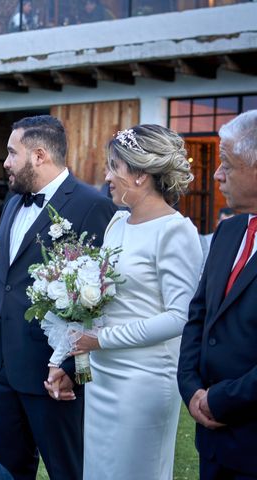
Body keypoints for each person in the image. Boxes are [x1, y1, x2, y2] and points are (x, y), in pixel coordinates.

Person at [0, 115, 116, 480]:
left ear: (38, 155)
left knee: (67, 470)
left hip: (51, 373)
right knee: (5, 471)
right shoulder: (11, 203)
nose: (5, 162)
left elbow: (100, 297)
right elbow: (1, 281)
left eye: (11, 153)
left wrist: (70, 367)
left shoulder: (92, 206)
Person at [71, 125, 202, 479]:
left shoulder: (175, 231)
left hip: (143, 380)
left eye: (114, 166)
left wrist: (103, 340)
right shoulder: (117, 223)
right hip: (102, 375)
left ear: (141, 174)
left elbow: (179, 317)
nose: (107, 176)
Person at [178, 110, 257, 479]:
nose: (216, 175)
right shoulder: (227, 232)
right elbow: (199, 315)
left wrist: (221, 400)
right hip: (212, 441)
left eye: (227, 164)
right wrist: (191, 389)